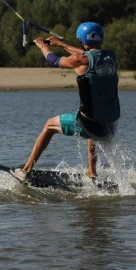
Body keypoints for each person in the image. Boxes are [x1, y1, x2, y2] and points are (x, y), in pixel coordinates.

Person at [12, 22, 121, 181]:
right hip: (109, 124)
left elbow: (54, 60)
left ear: (80, 40)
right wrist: (61, 44)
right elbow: (86, 55)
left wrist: (43, 46)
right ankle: (92, 172)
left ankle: (25, 170)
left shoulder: (81, 60)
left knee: (49, 125)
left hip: (89, 124)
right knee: (94, 120)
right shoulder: (110, 56)